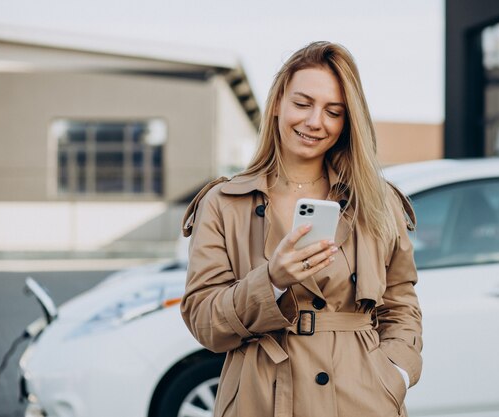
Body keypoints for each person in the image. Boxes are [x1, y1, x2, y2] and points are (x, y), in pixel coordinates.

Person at [180, 41, 422, 417]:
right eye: (303, 103)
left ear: (346, 122)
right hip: (260, 398)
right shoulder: (224, 203)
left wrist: (395, 373)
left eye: (333, 111)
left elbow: (401, 302)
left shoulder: (377, 201)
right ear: (277, 103)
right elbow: (204, 321)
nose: (315, 122)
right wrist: (272, 280)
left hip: (362, 398)